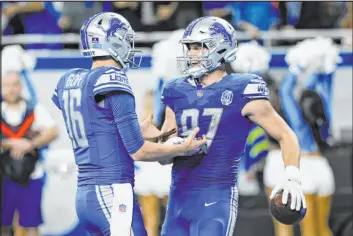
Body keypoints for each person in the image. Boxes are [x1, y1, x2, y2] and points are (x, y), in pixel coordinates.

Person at [51, 12, 206, 236]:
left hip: (85, 194)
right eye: (125, 38)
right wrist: (182, 148)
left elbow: (94, 125)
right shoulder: (111, 79)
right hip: (112, 191)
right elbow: (139, 151)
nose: (128, 45)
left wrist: (132, 132)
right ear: (112, 41)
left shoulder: (70, 80)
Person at [159, 16, 306, 236]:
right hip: (178, 195)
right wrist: (170, 147)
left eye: (199, 47)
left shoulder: (243, 88)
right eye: (190, 47)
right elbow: (164, 147)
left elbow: (286, 135)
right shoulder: (175, 89)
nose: (192, 53)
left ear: (220, 48)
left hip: (216, 195)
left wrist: (292, 175)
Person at [264, 38, 338, 236]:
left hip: (305, 170)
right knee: (323, 229)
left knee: (307, 231)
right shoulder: (325, 116)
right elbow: (324, 91)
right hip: (324, 169)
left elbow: (287, 92)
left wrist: (299, 66)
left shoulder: (299, 127)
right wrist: (325, 67)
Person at [1, 56, 59, 236]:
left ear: (21, 87)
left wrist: (30, 144)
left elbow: (53, 131)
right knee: (3, 223)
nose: (11, 89)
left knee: (31, 223)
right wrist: (9, 143)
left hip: (31, 175)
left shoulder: (34, 110)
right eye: (7, 85)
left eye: (15, 84)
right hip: (4, 177)